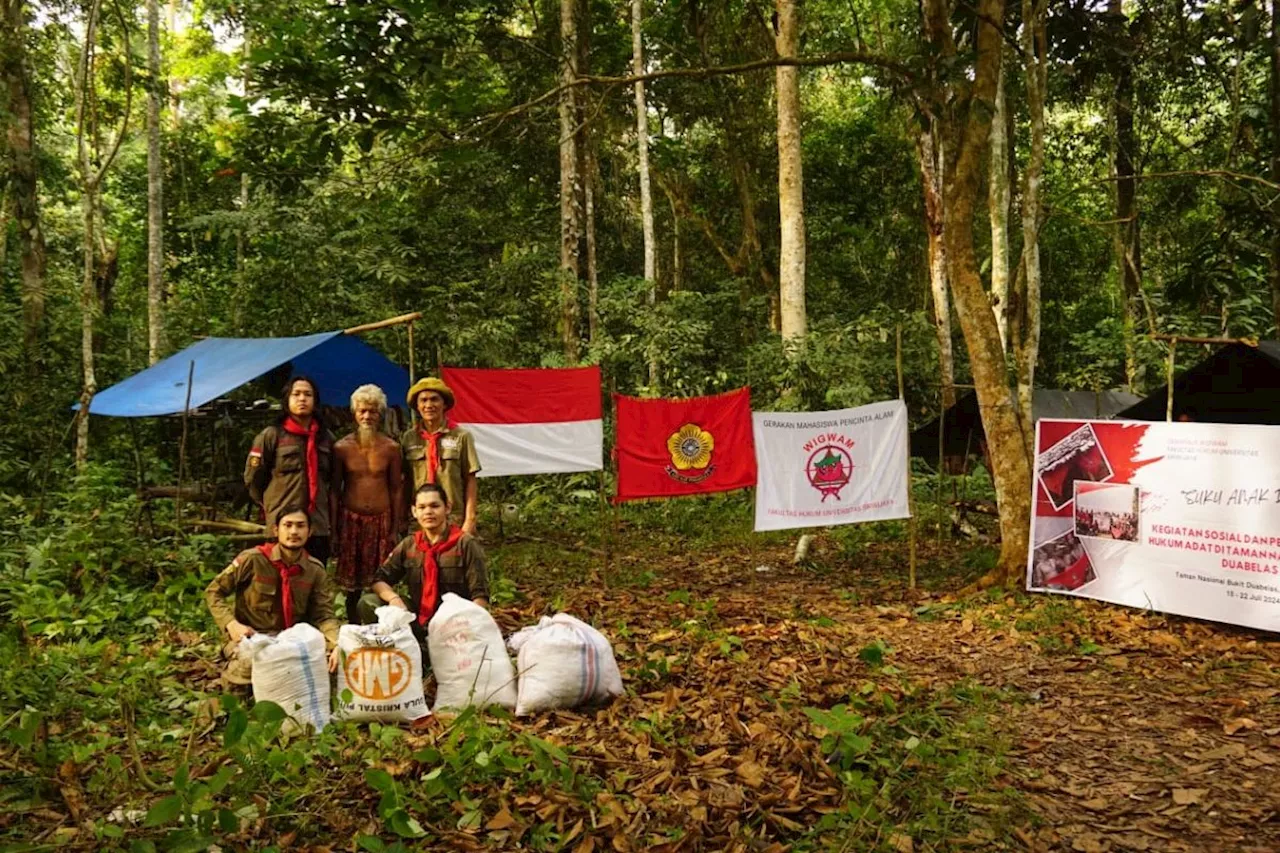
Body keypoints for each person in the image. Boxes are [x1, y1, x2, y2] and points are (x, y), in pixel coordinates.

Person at [205, 508, 341, 689]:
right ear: (276, 530)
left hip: (293, 641)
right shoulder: (252, 559)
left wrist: (337, 644)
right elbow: (214, 591)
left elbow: (324, 615)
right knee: (252, 664)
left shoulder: (314, 570)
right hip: (253, 639)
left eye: (300, 526)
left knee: (335, 663)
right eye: (288, 525)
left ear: (310, 532)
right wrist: (231, 624)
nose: (294, 531)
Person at [367, 483, 490, 657]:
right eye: (422, 507)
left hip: (454, 625)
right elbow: (379, 579)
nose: (428, 512)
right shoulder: (410, 544)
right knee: (369, 602)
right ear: (414, 511)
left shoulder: (465, 543)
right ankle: (404, 652)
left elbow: (480, 596)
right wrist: (394, 599)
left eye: (435, 506)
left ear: (447, 508)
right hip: (418, 620)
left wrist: (467, 627)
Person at [245, 376, 338, 562]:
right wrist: (270, 505)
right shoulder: (272, 435)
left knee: (313, 575)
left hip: (316, 523)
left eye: (308, 394)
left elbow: (333, 480)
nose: (302, 399)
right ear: (287, 400)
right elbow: (253, 478)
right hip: (282, 522)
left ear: (315, 401)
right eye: (296, 394)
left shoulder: (326, 438)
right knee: (278, 575)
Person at [332, 384, 403, 622]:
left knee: (381, 579)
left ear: (380, 413)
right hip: (351, 520)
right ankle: (354, 628)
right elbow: (335, 490)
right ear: (354, 412)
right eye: (362, 411)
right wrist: (335, 528)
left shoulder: (391, 448)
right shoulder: (342, 448)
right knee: (352, 587)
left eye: (372, 411)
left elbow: (395, 489)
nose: (367, 416)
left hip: (381, 520)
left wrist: (395, 527)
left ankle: (384, 627)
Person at [400, 377, 480, 536]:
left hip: (453, 517)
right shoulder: (409, 438)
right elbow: (405, 481)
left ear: (445, 404)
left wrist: (470, 519)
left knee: (454, 560)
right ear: (417, 406)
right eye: (423, 400)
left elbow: (470, 479)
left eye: (434, 399)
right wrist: (402, 517)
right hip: (420, 518)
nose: (428, 405)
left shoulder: (461, 436)